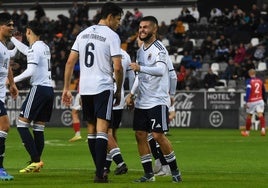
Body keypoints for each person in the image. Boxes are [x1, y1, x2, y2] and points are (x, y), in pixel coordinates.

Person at [61, 2, 124, 183]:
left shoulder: (83, 33)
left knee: (91, 130)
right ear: (110, 17)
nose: (118, 23)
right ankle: (100, 173)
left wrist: (66, 88)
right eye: (118, 19)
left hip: (85, 88)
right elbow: (118, 68)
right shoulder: (112, 36)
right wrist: (118, 90)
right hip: (103, 87)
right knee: (103, 130)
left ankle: (99, 171)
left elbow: (69, 62)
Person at [126, 16, 182, 183]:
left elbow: (160, 70)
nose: (142, 30)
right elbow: (140, 76)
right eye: (140, 27)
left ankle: (175, 172)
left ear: (154, 29)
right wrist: (132, 94)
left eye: (145, 27)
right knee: (140, 135)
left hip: (157, 99)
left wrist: (140, 67)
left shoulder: (160, 49)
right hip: (143, 100)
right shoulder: (140, 50)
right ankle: (149, 174)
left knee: (157, 136)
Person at [10, 20, 54, 173]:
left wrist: (11, 80)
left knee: (21, 124)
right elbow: (27, 51)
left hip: (39, 89)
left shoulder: (35, 48)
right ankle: (37, 163)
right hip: (49, 90)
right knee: (38, 128)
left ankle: (35, 160)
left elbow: (30, 71)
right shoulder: (44, 46)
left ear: (28, 31)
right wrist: (13, 39)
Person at [104, 48, 135, 175]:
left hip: (106, 95)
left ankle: (120, 163)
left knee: (104, 132)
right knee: (113, 132)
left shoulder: (104, 49)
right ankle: (107, 166)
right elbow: (132, 77)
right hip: (120, 98)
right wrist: (132, 96)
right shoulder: (125, 54)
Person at [0, 12, 19, 181]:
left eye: (13, 25)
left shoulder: (4, 48)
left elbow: (8, 68)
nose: (12, 28)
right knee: (4, 126)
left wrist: (12, 84)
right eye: (9, 25)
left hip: (1, 94)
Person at [241, 69, 266, 136]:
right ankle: (263, 129)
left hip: (252, 101)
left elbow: (248, 92)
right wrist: (264, 99)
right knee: (260, 114)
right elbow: (263, 91)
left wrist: (246, 101)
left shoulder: (249, 81)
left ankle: (247, 132)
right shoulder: (260, 81)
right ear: (255, 73)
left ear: (249, 74)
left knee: (249, 116)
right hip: (260, 100)